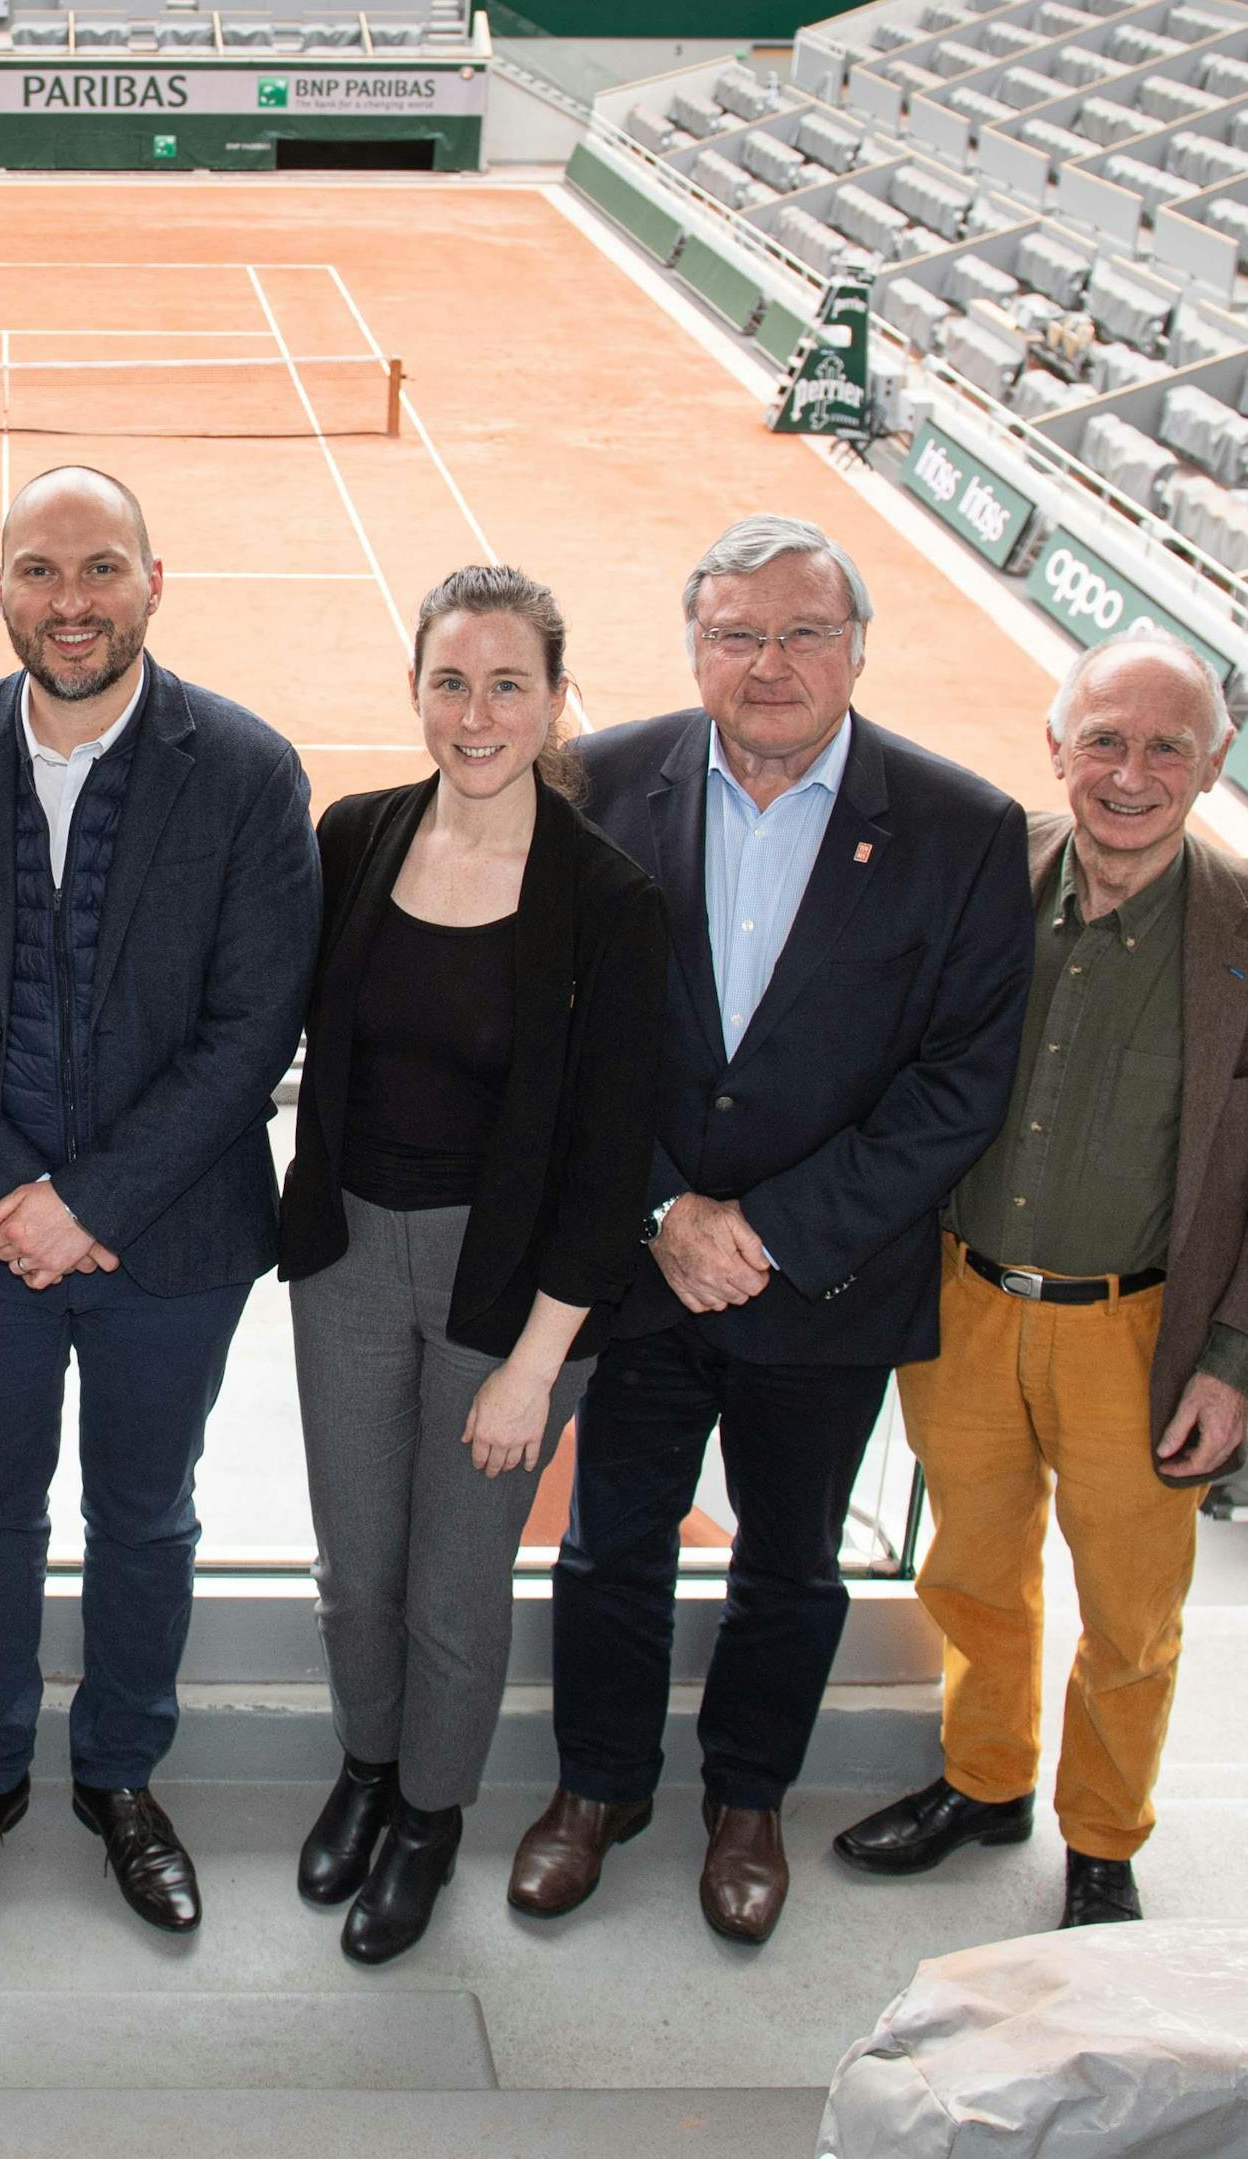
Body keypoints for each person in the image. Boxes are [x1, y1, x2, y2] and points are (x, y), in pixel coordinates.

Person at [515, 514, 1033, 1946]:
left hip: (827, 1284)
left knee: (790, 1563)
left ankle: (747, 1803)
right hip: (638, 1266)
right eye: (738, 633)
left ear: (859, 646)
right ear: (693, 648)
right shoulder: (599, 782)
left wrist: (771, 1229)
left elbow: (959, 1087)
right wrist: (665, 1207)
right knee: (609, 1547)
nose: (771, 662)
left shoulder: (964, 828)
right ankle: (597, 1792)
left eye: (805, 631)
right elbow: (554, 1028)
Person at [0, 468, 315, 1936]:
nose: (72, 601)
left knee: (145, 1513)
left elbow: (255, 1025)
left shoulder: (246, 770)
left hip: (169, 1240)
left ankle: (121, 1776)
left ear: (154, 584)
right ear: (0, 589)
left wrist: (92, 1199)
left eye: (101, 568)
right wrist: (9, 1190)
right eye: (40, 571)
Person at [829, 630, 1248, 1928]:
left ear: (1216, 765)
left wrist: (1236, 1365)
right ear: (1055, 748)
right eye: (1104, 740)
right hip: (962, 1300)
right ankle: (987, 1782)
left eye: (1168, 744)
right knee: (971, 1573)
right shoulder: (982, 877)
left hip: (1145, 1336)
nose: (1131, 772)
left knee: (1131, 1620)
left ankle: (1104, 1843)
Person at [279, 567, 668, 1966]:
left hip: (512, 1295)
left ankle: (431, 1818)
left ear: (556, 698)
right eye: (452, 681)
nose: (478, 711)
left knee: (451, 1589)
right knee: (355, 1573)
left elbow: (611, 1160)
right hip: (344, 1262)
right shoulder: (358, 837)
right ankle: (369, 1772)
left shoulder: (611, 903)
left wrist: (534, 1369)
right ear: (417, 692)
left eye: (510, 683)